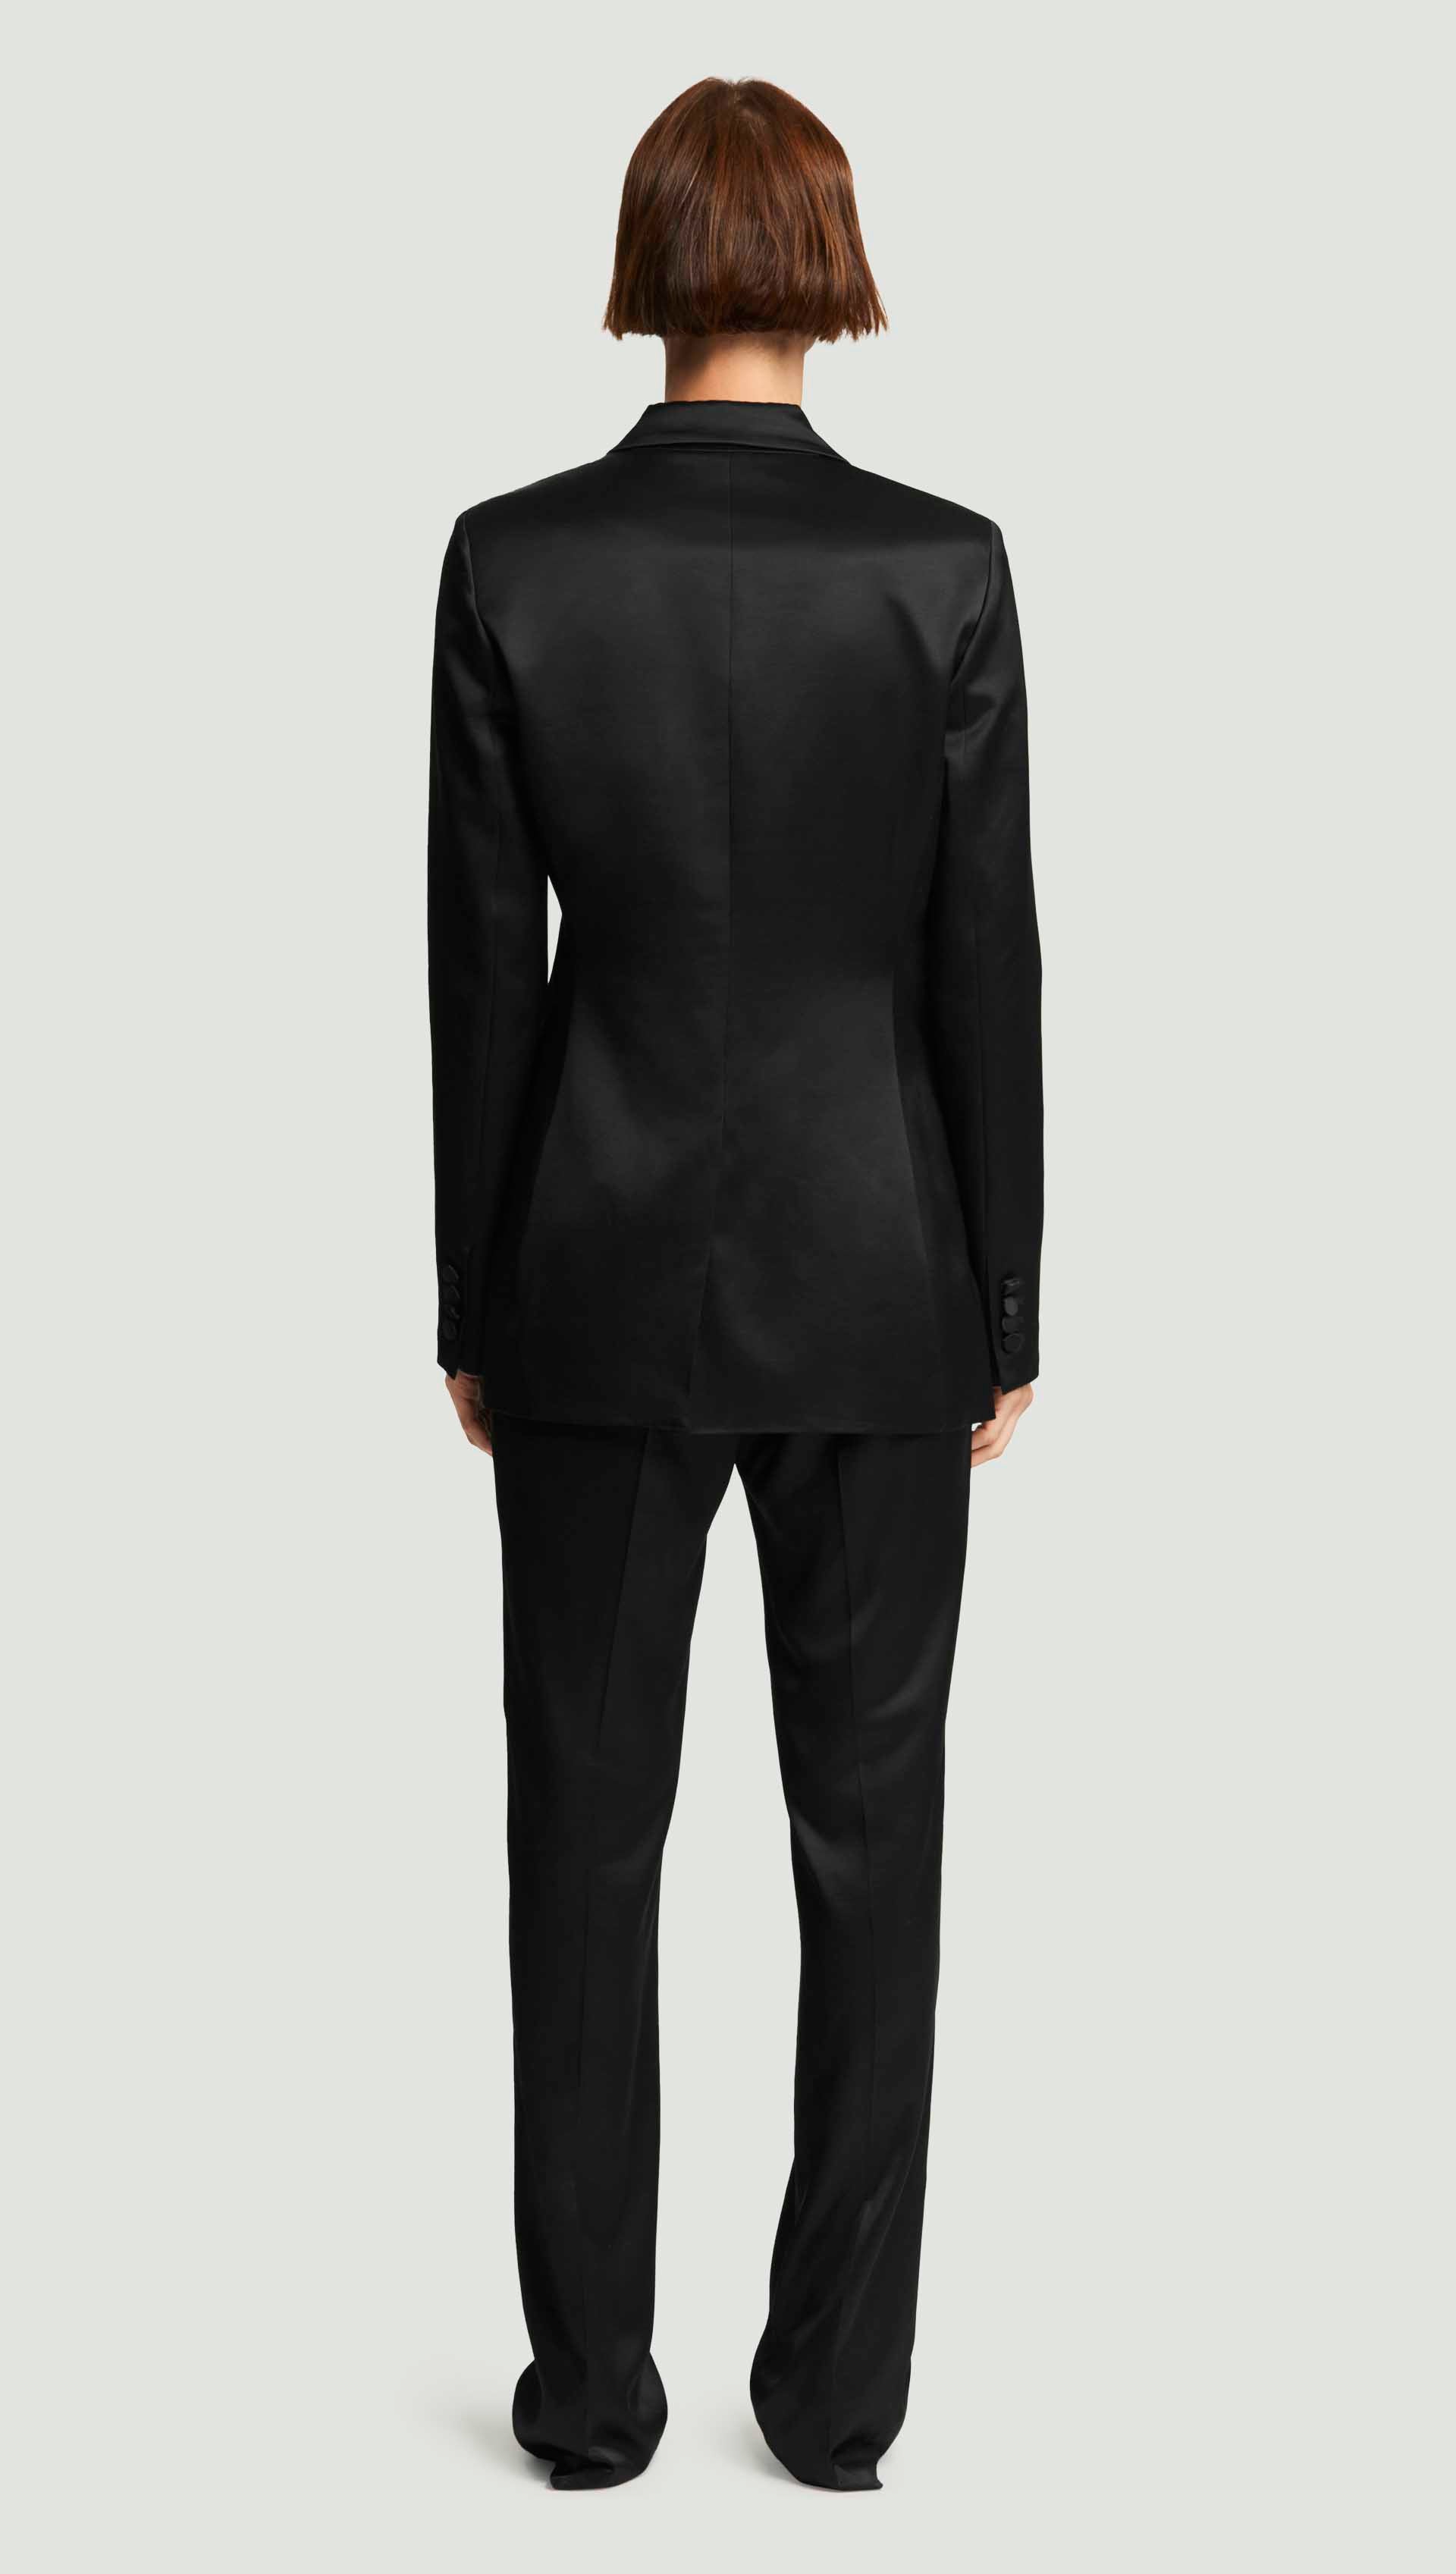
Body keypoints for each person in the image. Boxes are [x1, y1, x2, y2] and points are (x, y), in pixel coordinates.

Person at [427, 76, 1042, 2493]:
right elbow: (983, 959)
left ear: (649, 259)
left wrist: (473, 1299)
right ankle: (838, 2396)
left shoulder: (513, 563)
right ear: (828, 258)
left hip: (587, 1275)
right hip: (884, 1279)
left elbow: (483, 971)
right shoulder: (942, 570)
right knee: (873, 1852)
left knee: (579, 1842)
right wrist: (1009, 1302)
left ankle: (589, 2400)